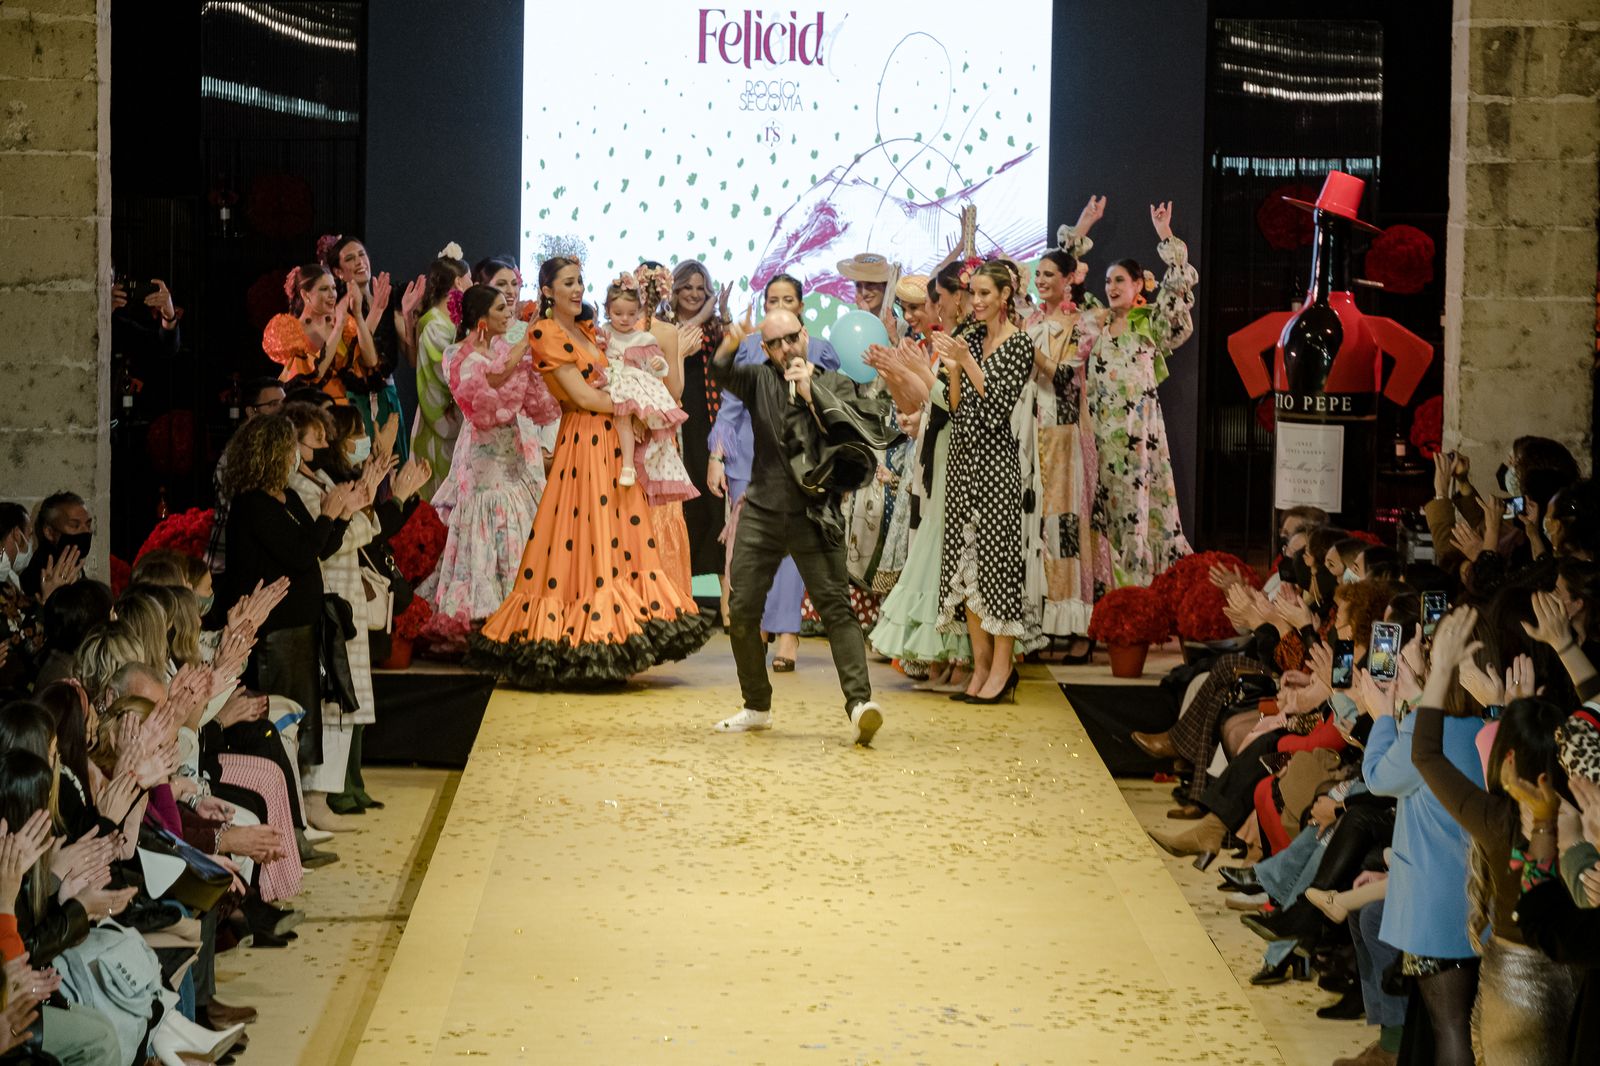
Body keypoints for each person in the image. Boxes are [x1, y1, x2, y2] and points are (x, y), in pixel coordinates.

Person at [469, 257, 710, 687]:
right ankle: (583, 634)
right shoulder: (545, 333)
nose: (577, 289)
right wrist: (634, 406)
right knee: (583, 536)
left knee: (619, 536)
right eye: (567, 283)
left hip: (610, 440)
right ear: (547, 291)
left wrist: (639, 397)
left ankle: (616, 633)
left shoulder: (587, 331)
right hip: (583, 441)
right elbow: (582, 396)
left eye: (579, 281)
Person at [709, 309, 892, 744]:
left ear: (805, 335)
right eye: (775, 343)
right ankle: (756, 706)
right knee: (743, 610)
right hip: (763, 511)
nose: (786, 348)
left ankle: (859, 705)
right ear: (766, 349)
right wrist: (731, 341)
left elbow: (853, 431)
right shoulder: (758, 379)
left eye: (791, 338)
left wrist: (812, 393)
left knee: (836, 608)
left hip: (816, 513)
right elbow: (721, 371)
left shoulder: (835, 383)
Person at [706, 274, 840, 672]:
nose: (779, 306)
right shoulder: (749, 347)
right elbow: (731, 406)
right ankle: (760, 627)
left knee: (793, 550)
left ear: (801, 307)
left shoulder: (821, 349)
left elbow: (830, 406)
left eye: (787, 300)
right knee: (751, 550)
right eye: (772, 301)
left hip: (799, 463)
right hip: (748, 457)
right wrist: (716, 455)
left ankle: (787, 633)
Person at [420, 284, 560, 645]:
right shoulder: (458, 355)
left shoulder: (500, 348)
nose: (507, 312)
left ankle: (521, 611)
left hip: (514, 446)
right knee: (490, 515)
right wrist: (525, 343)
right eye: (500, 308)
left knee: (521, 514)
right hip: (483, 454)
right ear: (481, 320)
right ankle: (486, 612)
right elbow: (492, 383)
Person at [934, 261, 1044, 703]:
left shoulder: (1019, 343)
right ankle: (980, 670)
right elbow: (957, 407)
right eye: (972, 293)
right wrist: (955, 368)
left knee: (998, 568)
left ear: (1004, 295)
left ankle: (1003, 669)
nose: (976, 302)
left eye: (984, 294)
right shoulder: (971, 337)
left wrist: (966, 362)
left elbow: (997, 407)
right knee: (968, 571)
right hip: (963, 462)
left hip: (997, 466)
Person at [1074, 199, 1197, 587]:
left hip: (1138, 442)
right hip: (1097, 440)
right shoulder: (1092, 324)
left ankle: (1137, 589)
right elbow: (1060, 281)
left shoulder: (1150, 325)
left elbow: (1178, 288)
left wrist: (1165, 234)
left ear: (1138, 285)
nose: (1111, 287)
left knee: (1136, 511)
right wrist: (1083, 226)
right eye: (1108, 282)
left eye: (1119, 281)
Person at [866, 264, 975, 692]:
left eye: (935, 300)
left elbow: (955, 403)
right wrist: (895, 373)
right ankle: (942, 657)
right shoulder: (941, 342)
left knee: (950, 552)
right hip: (934, 451)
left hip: (956, 454)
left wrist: (912, 372)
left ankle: (961, 659)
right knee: (933, 551)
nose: (932, 308)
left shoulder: (964, 342)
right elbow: (924, 403)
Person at [1027, 238, 1104, 647]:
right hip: (1030, 431)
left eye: (1049, 275)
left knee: (1064, 522)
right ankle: (1038, 623)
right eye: (1037, 274)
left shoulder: (1083, 324)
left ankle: (1073, 623)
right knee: (1034, 523)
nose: (1041, 281)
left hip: (1064, 434)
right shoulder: (1030, 320)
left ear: (1067, 280)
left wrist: (1029, 351)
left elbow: (1063, 377)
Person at [601, 273, 695, 501]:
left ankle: (627, 466)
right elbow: (675, 391)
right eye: (618, 313)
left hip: (634, 404)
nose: (625, 319)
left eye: (630, 314)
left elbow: (659, 374)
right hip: (616, 397)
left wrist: (661, 365)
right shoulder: (605, 333)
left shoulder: (643, 338)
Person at [668, 260, 731, 589]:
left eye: (700, 289)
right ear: (675, 289)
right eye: (687, 287)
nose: (693, 294)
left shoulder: (716, 328)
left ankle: (726, 601)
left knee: (715, 504)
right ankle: (679, 596)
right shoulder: (663, 325)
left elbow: (734, 361)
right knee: (681, 506)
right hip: (674, 426)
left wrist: (722, 312)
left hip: (709, 423)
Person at [320, 234, 408, 461]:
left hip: (388, 396)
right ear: (338, 272)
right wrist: (370, 313)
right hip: (358, 404)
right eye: (350, 259)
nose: (359, 262)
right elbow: (362, 358)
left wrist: (407, 314)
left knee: (395, 464)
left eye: (361, 255)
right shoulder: (340, 311)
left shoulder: (386, 297)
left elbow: (407, 350)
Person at [207, 378, 288, 578]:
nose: (282, 411)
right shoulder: (238, 456)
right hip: (230, 565)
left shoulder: (277, 453)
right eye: (273, 404)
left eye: (284, 403)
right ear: (252, 411)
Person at [410, 245, 470, 500]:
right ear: (458, 282)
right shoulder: (435, 326)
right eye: (469, 279)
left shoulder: (446, 322)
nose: (472, 284)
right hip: (440, 416)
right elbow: (445, 372)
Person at [20, 491, 92, 601]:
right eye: (74, 525)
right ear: (49, 532)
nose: (85, 531)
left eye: (88, 525)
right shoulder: (37, 575)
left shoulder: (74, 565)